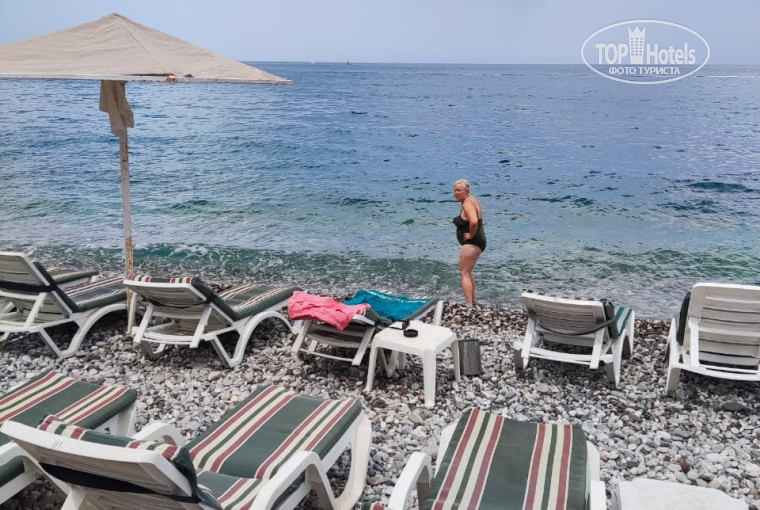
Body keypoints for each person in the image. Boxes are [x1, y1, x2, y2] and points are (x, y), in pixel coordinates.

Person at [452, 179, 486, 306]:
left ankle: (468, 305)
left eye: (459, 190)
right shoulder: (472, 200)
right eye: (455, 190)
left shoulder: (468, 204)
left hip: (473, 242)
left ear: (466, 191)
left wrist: (471, 234)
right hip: (478, 241)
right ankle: (473, 301)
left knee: (464, 273)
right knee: (468, 271)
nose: (456, 193)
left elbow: (474, 221)